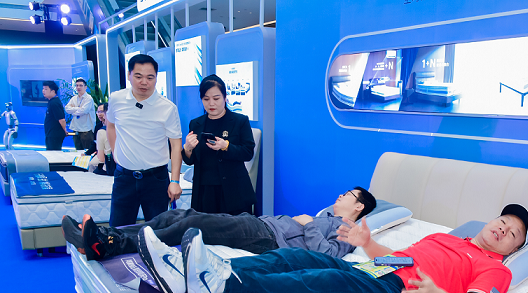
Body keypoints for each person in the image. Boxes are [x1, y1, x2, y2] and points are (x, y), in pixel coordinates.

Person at [139, 203, 528, 293]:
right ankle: (197, 273)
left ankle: (221, 284)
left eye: (513, 233)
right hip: (379, 270)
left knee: (326, 280)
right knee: (297, 256)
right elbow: (398, 259)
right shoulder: (446, 238)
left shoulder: (497, 269)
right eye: (503, 221)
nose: (503, 229)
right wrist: (368, 244)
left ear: (512, 249)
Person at [61, 187, 376, 264]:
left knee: (192, 223)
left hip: (267, 239)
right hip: (257, 224)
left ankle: (110, 245)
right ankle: (105, 236)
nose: (340, 195)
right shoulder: (328, 216)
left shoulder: (351, 231)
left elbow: (327, 256)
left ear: (359, 206)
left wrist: (308, 225)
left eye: (348, 194)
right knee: (176, 216)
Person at [106, 54, 183, 227]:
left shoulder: (167, 108)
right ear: (129, 75)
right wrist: (116, 153)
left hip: (155, 179)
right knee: (118, 231)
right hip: (124, 178)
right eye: (138, 76)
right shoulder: (116, 99)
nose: (144, 82)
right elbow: (110, 125)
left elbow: (176, 145)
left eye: (150, 77)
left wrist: (175, 181)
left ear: (156, 78)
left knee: (158, 232)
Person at [182, 74, 256, 215]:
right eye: (206, 99)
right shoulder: (196, 123)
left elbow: (248, 153)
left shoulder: (239, 121)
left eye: (216, 98)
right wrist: (188, 149)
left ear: (225, 97)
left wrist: (226, 146)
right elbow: (190, 160)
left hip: (234, 191)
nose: (211, 104)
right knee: (206, 227)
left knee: (235, 228)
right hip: (204, 191)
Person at [65, 78, 96, 151]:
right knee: (78, 150)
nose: (78, 87)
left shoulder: (88, 98)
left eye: (81, 85)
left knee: (87, 151)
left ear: (85, 87)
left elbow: (84, 111)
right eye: (77, 85)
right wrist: (78, 108)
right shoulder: (74, 98)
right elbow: (67, 109)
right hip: (76, 128)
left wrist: (73, 111)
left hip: (86, 129)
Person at [88, 103, 114, 175]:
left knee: (92, 164)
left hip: (109, 166)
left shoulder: (101, 131)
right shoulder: (122, 128)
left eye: (102, 111)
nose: (99, 114)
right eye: (98, 112)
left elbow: (101, 158)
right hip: (123, 166)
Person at [42, 81, 68, 150]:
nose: (43, 91)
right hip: (50, 133)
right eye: (43, 89)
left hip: (54, 135)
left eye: (46, 89)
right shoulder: (51, 101)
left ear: (53, 91)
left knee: (53, 153)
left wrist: (64, 130)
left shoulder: (54, 103)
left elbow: (61, 119)